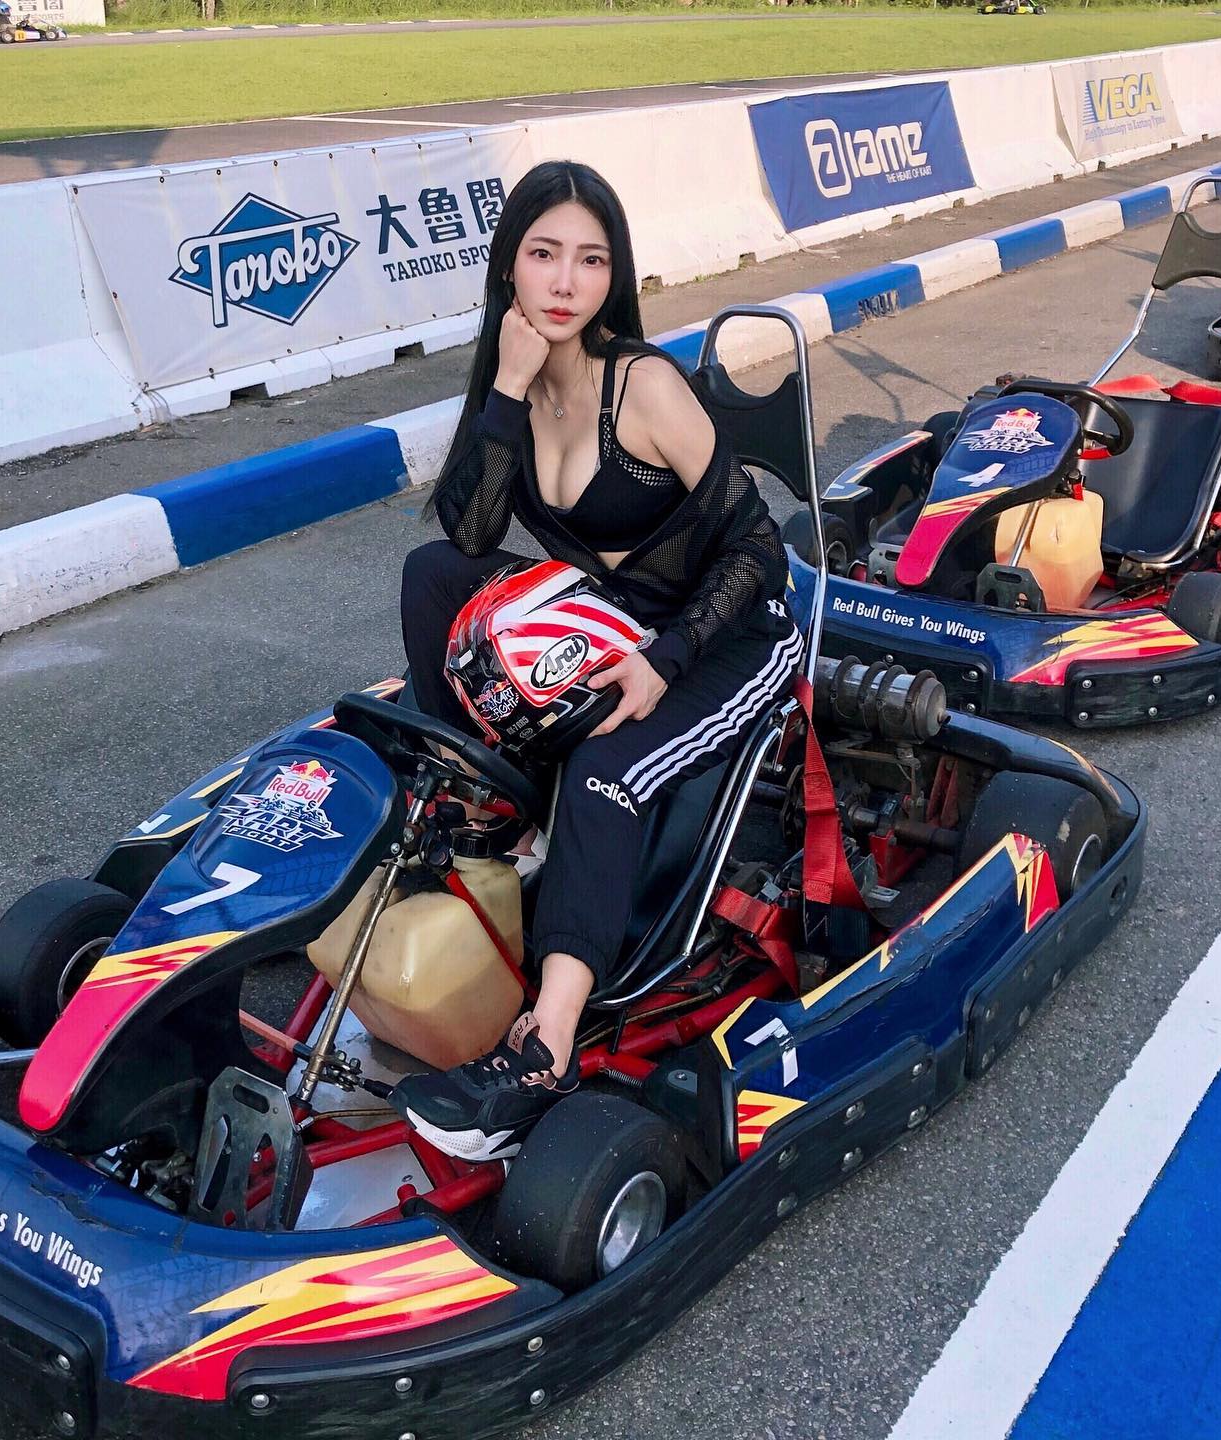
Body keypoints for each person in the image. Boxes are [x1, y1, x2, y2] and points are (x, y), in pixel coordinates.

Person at [390, 159, 802, 1161]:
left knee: (605, 769)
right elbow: (470, 533)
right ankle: (477, 809)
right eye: (544, 255)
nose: (565, 282)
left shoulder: (644, 386)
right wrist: (505, 387)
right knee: (432, 575)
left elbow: (759, 548)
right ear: (510, 268)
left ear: (613, 276)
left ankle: (547, 1045)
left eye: (590, 260)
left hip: (724, 635)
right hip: (613, 622)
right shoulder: (518, 381)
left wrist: (668, 658)